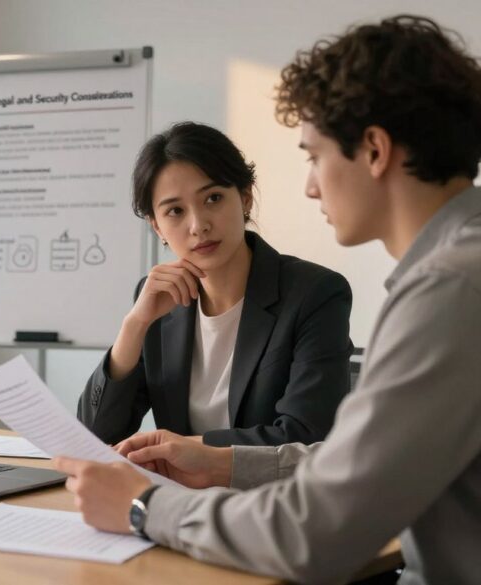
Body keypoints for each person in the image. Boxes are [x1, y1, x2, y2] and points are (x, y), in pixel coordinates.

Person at [56, 14, 481, 584]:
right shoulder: (456, 271)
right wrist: (218, 459)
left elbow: (317, 530)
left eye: (313, 155)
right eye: (174, 211)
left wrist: (144, 507)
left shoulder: (449, 289)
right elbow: (355, 466)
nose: (310, 185)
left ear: (375, 150)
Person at [78, 122, 352, 447]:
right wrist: (134, 325)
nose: (199, 226)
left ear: (246, 197)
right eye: (175, 211)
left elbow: (306, 437)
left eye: (213, 198)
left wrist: (180, 450)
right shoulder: (157, 299)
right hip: (179, 496)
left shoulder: (314, 294)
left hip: (266, 496)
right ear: (157, 227)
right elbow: (94, 435)